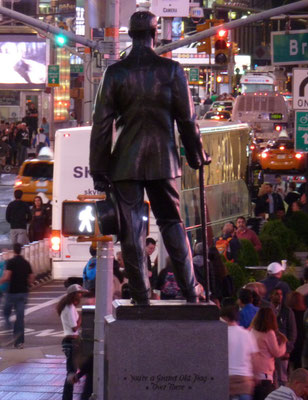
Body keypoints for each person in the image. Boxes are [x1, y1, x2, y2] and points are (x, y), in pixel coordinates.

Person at [89, 11, 208, 305]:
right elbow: (188, 120)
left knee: (132, 231)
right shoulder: (171, 70)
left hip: (125, 163)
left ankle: (141, 297)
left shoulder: (115, 73)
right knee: (172, 223)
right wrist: (197, 155)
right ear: (156, 34)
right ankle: (191, 291)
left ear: (130, 35)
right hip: (163, 160)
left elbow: (101, 125)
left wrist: (99, 169)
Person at [0, 243, 34, 349]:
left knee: (6, 314)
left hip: (12, 293)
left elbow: (7, 277)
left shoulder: (11, 262)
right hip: (23, 293)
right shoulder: (26, 263)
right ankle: (19, 342)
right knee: (20, 317)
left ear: (13, 251)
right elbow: (31, 278)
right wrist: (26, 282)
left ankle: (10, 332)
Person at [57, 284, 88, 400]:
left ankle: (67, 397)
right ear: (74, 295)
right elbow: (74, 327)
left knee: (72, 372)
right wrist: (81, 318)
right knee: (71, 373)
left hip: (71, 342)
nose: (81, 296)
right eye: (79, 293)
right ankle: (66, 397)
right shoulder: (69, 307)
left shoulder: (69, 307)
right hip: (71, 342)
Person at [220, 305, 257, 400]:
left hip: (227, 380)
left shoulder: (221, 334)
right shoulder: (246, 334)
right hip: (245, 381)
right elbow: (254, 358)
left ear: (225, 318)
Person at [250, 307, 287, 400]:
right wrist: (283, 343)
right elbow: (277, 352)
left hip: (252, 372)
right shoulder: (269, 333)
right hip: (265, 374)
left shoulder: (252, 330)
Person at [270, 288, 297, 386]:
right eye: (276, 294)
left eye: (281, 294)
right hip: (270, 349)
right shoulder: (267, 310)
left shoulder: (287, 311)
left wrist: (288, 350)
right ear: (271, 296)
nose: (279, 296)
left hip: (283, 349)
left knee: (282, 378)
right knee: (272, 378)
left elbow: (292, 332)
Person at [285, 292, 306, 370]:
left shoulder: (287, 313)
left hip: (289, 340)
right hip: (300, 340)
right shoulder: (304, 313)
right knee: (298, 364)